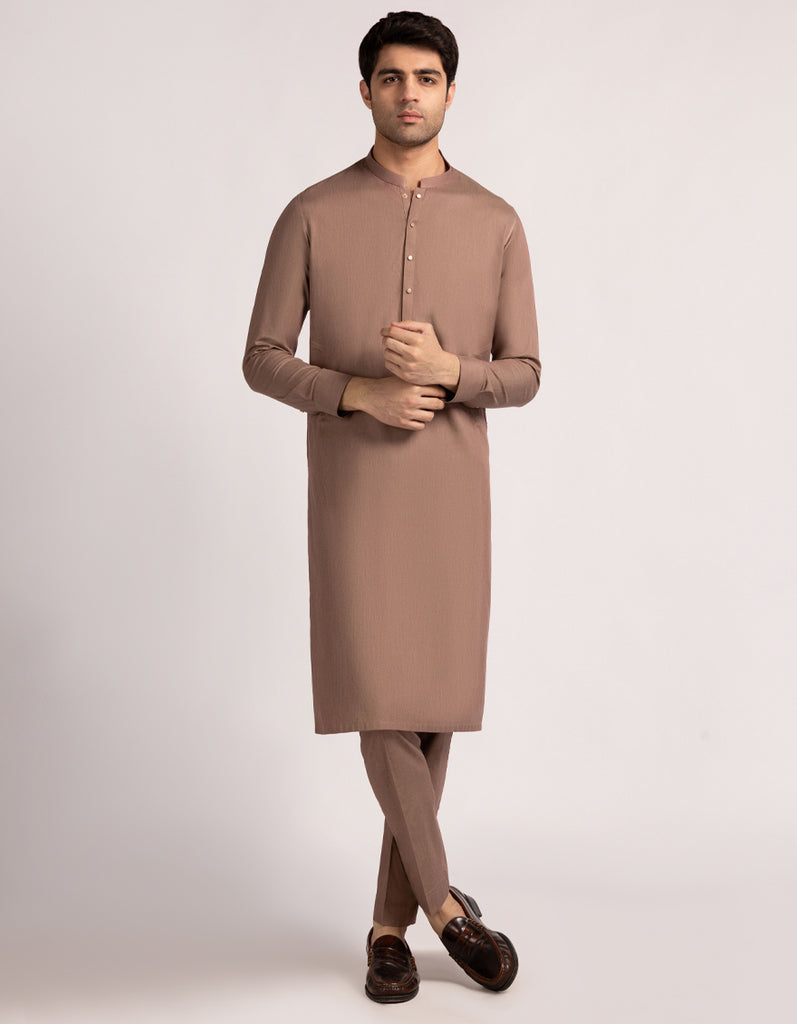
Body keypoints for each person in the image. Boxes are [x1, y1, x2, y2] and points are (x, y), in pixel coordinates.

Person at [243, 10, 540, 1004]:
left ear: (450, 92)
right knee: (380, 695)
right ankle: (446, 908)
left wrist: (452, 371)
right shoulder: (311, 212)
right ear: (364, 90)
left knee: (429, 709)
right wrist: (356, 392)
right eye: (390, 77)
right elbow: (262, 357)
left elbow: (524, 371)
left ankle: (385, 927)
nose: (408, 93)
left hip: (449, 491)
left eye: (425, 77)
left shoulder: (496, 221)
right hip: (356, 489)